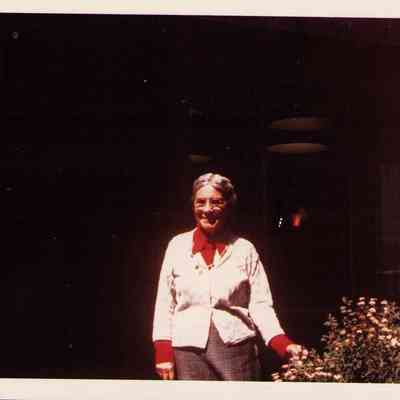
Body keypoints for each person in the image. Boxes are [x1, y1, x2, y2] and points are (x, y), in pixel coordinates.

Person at [152, 172, 303, 380]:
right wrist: (163, 351)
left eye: (216, 202)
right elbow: (164, 304)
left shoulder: (244, 249)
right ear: (193, 205)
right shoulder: (177, 246)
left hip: (237, 350)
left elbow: (260, 305)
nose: (207, 209)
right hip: (187, 352)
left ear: (229, 206)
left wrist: (281, 342)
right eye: (200, 202)